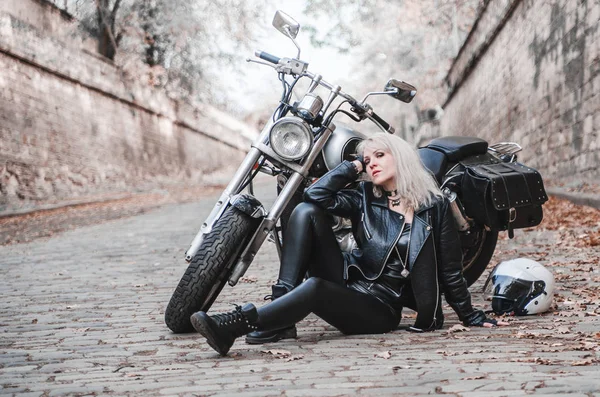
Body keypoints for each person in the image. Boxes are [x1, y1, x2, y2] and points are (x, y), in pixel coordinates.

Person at [190, 133, 509, 356]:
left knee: (315, 287)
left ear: (401, 157)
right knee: (305, 212)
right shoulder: (365, 197)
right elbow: (314, 197)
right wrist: (352, 166)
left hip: (380, 307)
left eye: (379, 156)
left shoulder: (433, 206)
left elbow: (452, 270)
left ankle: (234, 325)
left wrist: (470, 316)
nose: (372, 164)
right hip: (348, 282)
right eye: (368, 160)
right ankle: (281, 313)